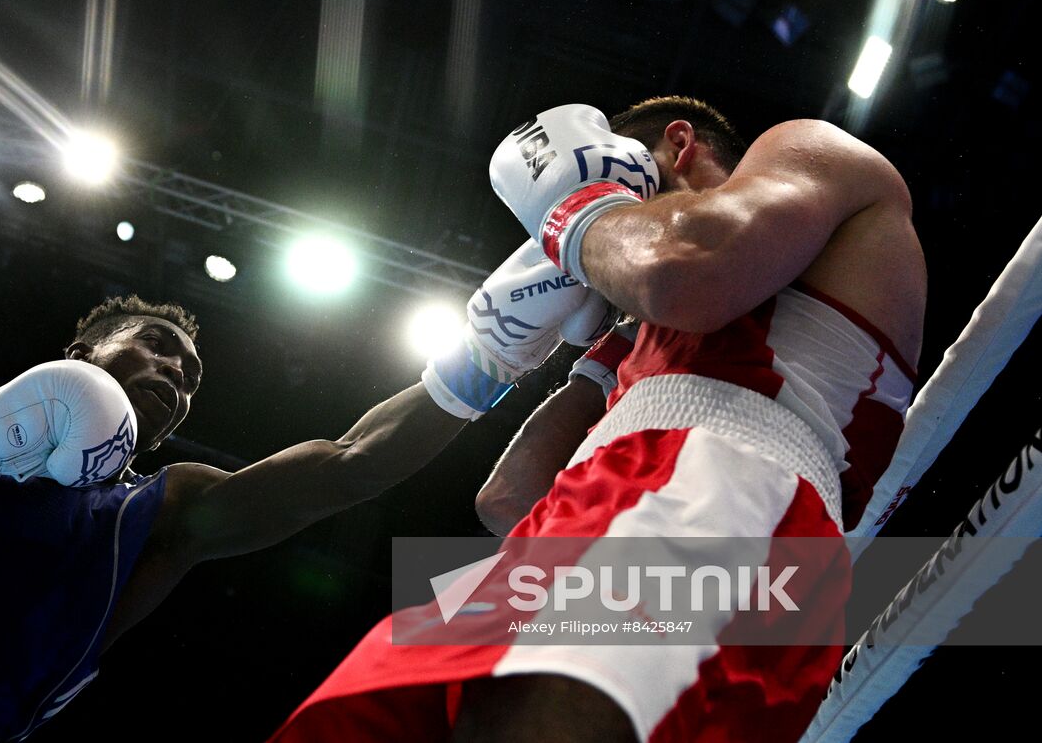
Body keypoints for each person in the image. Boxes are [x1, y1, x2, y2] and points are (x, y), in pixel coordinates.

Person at [0, 230, 617, 743]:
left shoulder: (165, 512)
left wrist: (491, 353)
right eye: (154, 345)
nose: (173, 371)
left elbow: (347, 466)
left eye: (189, 373)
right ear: (82, 351)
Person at [271, 96, 926, 742]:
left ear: (677, 144)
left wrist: (574, 213)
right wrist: (556, 356)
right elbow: (507, 499)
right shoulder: (652, 330)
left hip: (722, 489)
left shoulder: (809, 153)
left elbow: (679, 271)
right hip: (607, 506)